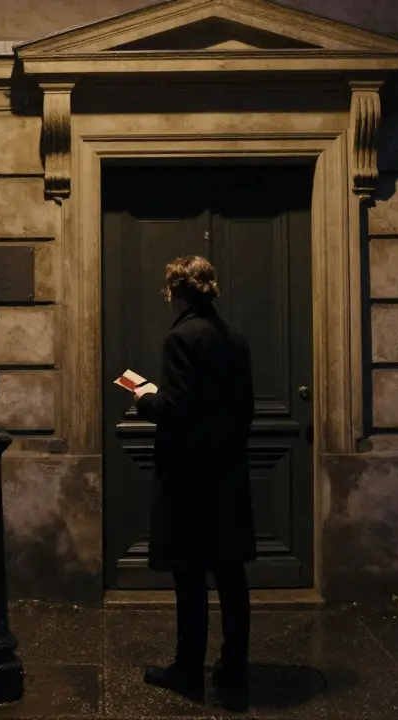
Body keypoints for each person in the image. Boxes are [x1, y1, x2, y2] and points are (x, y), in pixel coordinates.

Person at [132, 255, 256, 704]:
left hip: (188, 479)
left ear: (177, 292)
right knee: (230, 574)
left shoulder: (181, 338)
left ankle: (188, 670)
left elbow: (176, 408)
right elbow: (244, 410)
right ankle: (235, 669)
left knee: (189, 576)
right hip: (226, 474)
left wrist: (144, 398)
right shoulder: (236, 340)